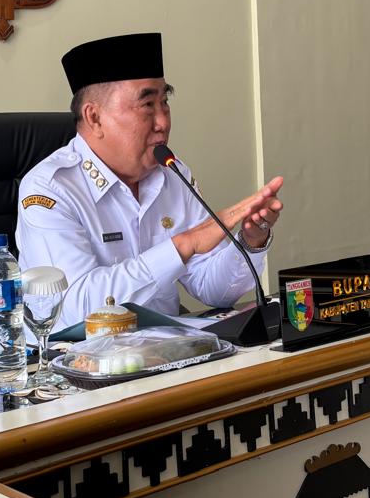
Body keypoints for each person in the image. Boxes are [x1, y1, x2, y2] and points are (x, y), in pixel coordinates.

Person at [16, 32, 284, 328]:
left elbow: (212, 290)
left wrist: (250, 242)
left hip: (165, 349)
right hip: (76, 353)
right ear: (94, 117)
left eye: (164, 102)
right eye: (147, 106)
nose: (163, 122)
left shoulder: (172, 174)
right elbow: (76, 310)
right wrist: (182, 246)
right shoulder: (51, 189)